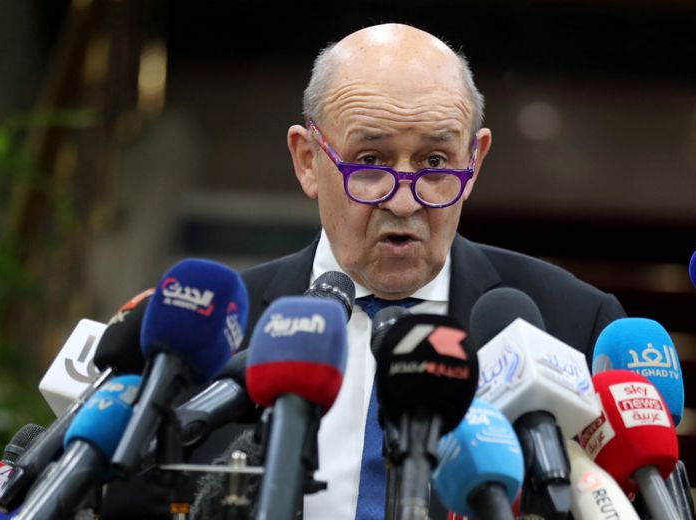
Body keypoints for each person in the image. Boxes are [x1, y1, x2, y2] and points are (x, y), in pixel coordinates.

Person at [192, 22, 626, 520]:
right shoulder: (210, 333)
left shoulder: (573, 325)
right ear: (308, 160)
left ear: (475, 161)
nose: (402, 201)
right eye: (370, 161)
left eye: (436, 162)